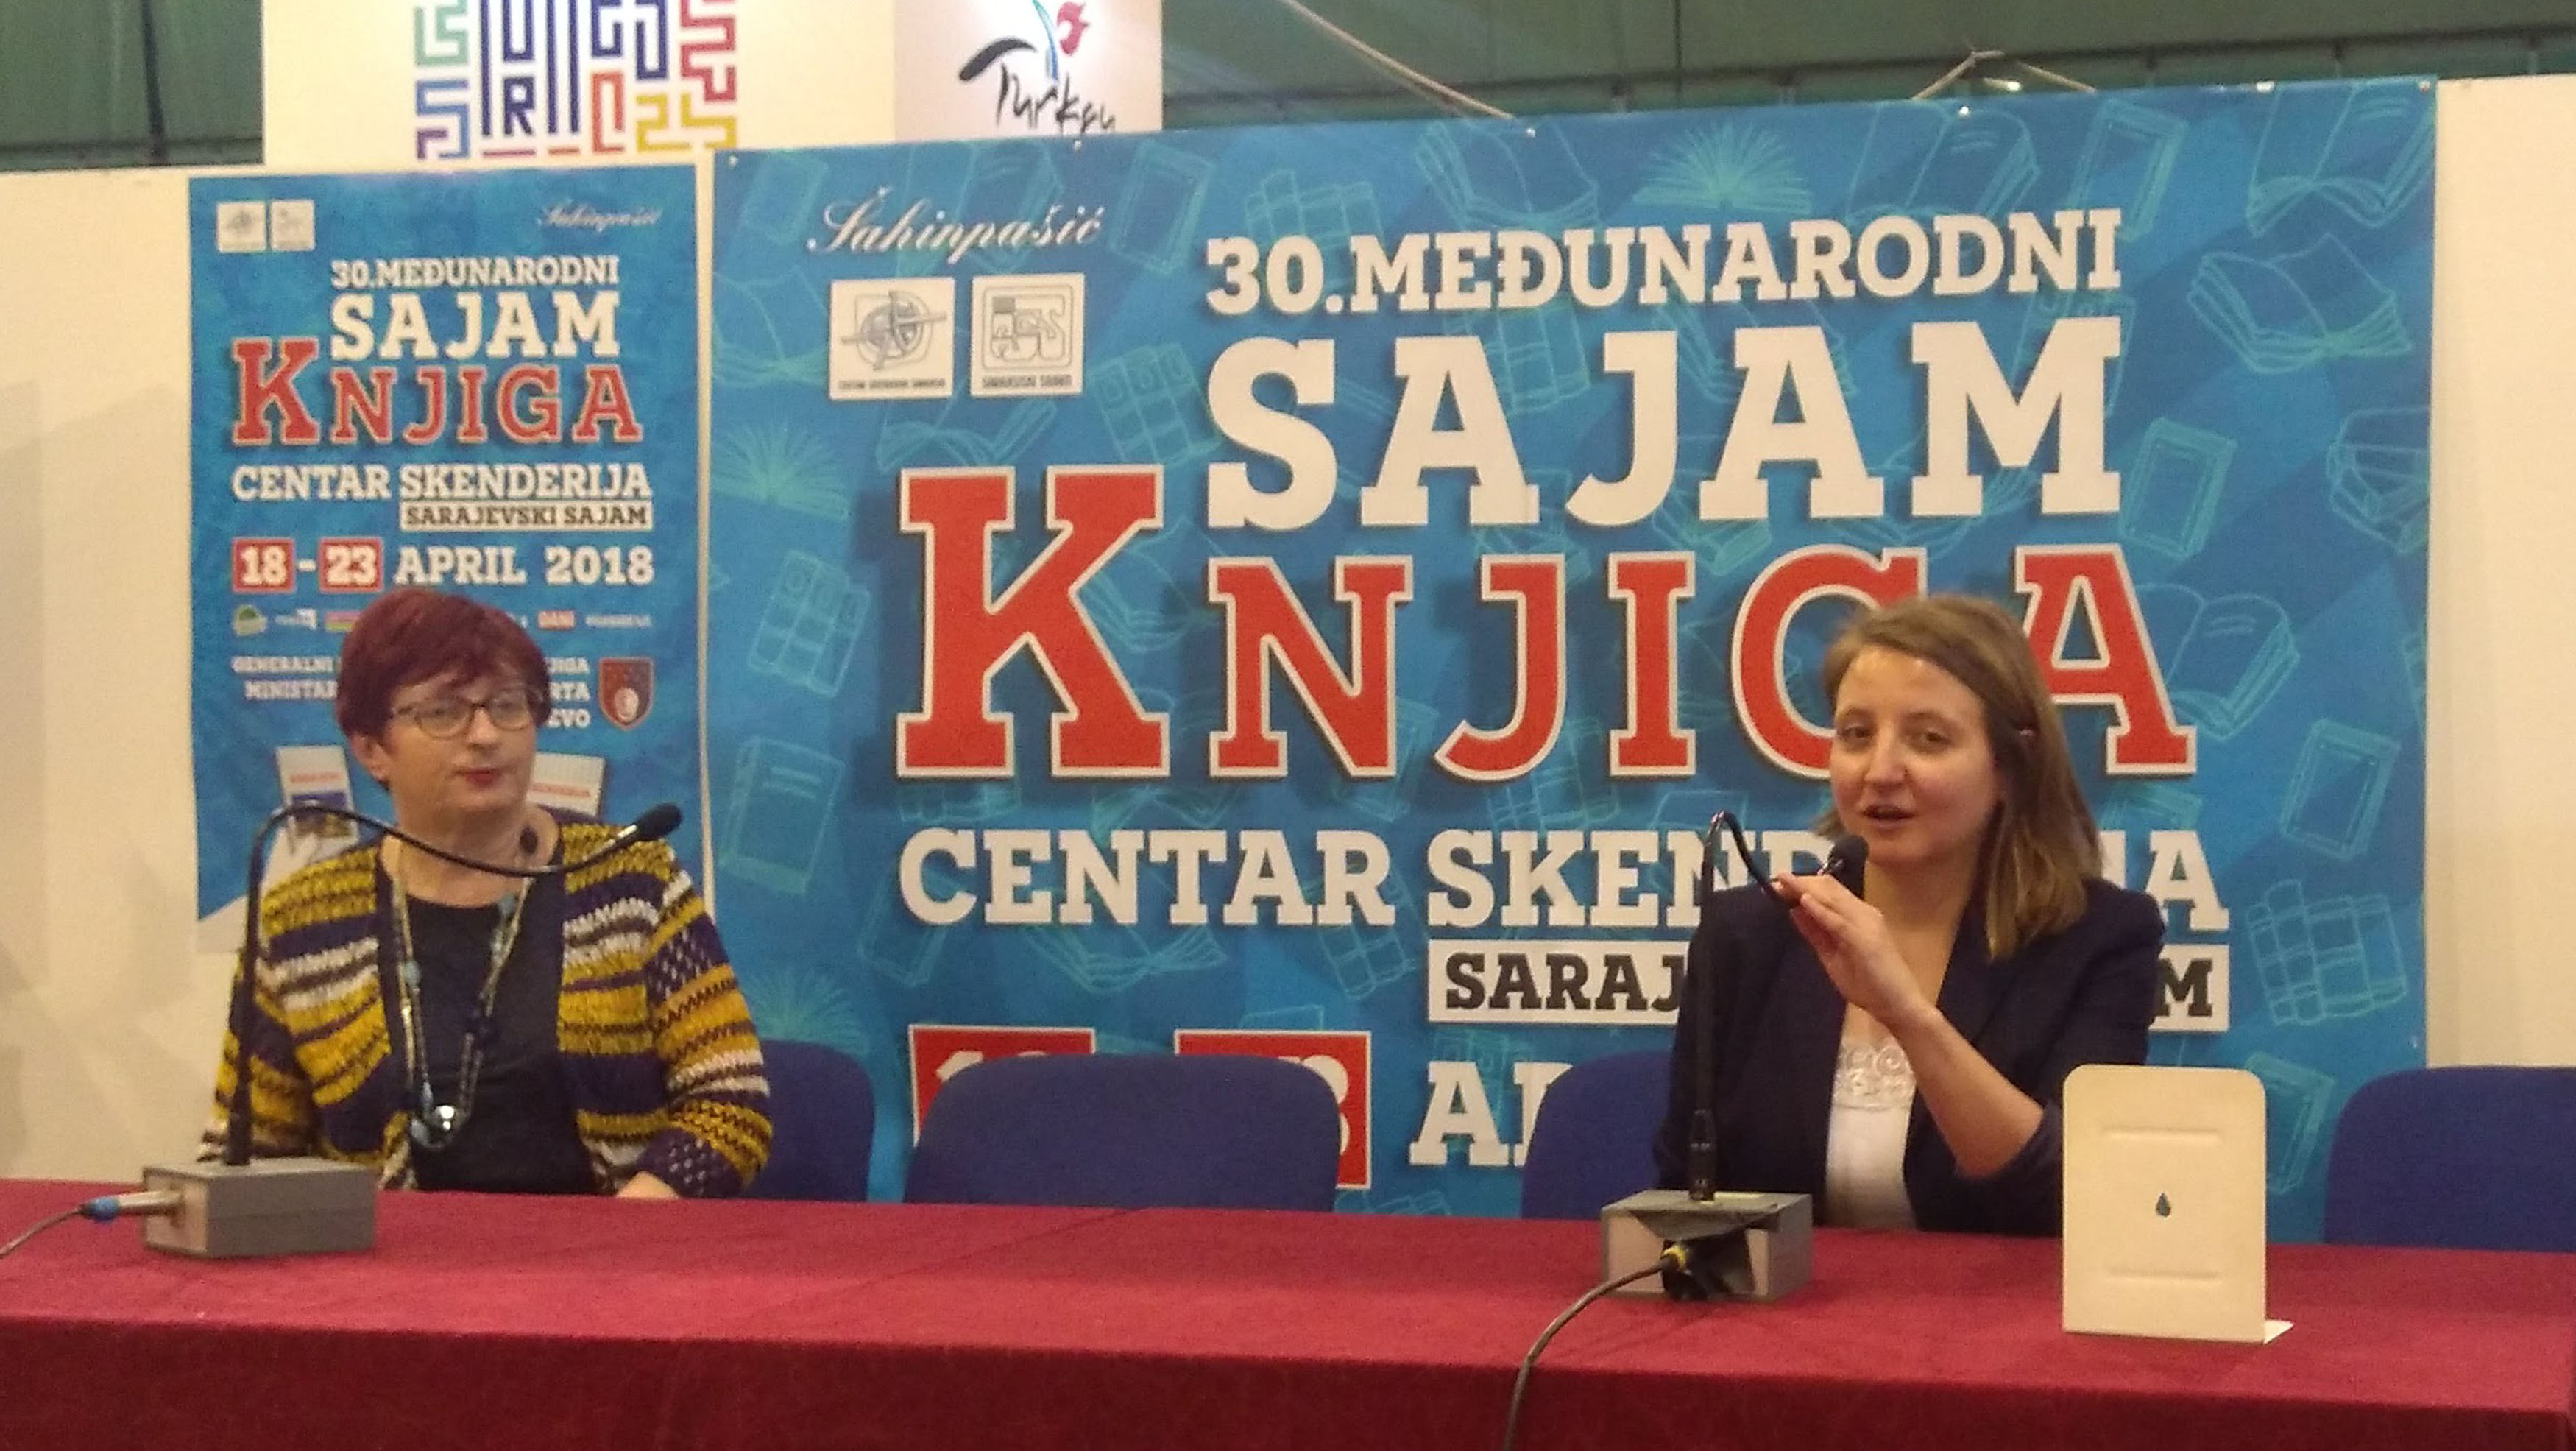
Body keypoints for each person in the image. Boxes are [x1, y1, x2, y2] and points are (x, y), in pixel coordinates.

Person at [201, 587, 770, 1197]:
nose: (485, 734)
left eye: (507, 704)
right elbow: (244, 1158)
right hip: (387, 1257)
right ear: (371, 748)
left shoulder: (632, 881)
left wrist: (624, 1226)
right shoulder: (299, 923)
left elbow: (731, 1100)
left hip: (616, 1247)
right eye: (443, 711)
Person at [1653, 593, 2162, 1235]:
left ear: (2011, 766)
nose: (1881, 770)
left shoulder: (2099, 940)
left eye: (1928, 739)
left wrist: (1907, 1014)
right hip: (1789, 1299)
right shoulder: (1750, 936)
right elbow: (1685, 1195)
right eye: (1856, 735)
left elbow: (2070, 1195)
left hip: (2007, 1298)